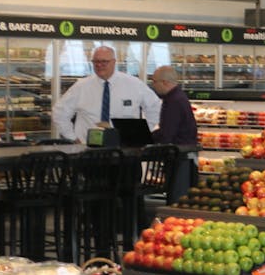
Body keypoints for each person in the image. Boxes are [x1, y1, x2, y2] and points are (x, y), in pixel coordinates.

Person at [52, 46, 161, 143]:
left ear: (114, 62)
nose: (99, 65)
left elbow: (155, 107)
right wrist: (73, 138)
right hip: (89, 151)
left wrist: (143, 134)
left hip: (125, 149)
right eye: (96, 62)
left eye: (104, 61)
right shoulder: (81, 86)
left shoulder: (134, 84)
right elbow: (59, 113)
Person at [150, 65, 199, 203]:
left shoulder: (173, 101)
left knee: (178, 198)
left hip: (180, 156)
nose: (153, 86)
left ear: (165, 82)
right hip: (185, 154)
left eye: (154, 81)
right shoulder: (178, 97)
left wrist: (149, 139)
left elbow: (167, 134)